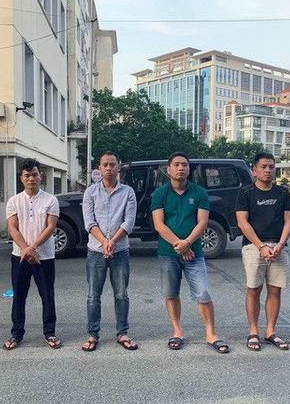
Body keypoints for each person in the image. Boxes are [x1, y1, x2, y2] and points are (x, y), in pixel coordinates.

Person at [151, 152, 229, 354]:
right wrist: (180, 245)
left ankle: (211, 334)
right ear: (168, 169)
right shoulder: (159, 194)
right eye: (176, 164)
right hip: (168, 252)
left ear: (188, 169)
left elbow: (202, 222)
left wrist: (187, 244)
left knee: (202, 292)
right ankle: (177, 331)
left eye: (184, 165)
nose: (181, 168)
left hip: (194, 253)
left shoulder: (199, 192)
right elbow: (159, 225)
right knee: (171, 293)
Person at [236, 152, 290, 352]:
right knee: (254, 289)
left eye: (271, 166)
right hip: (253, 246)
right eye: (263, 167)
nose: (268, 170)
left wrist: (281, 244)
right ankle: (253, 331)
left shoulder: (283, 193)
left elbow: (288, 221)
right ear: (254, 171)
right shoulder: (245, 193)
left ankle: (270, 331)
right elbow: (242, 223)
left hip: (278, 247)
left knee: (275, 289)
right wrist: (261, 246)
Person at [81, 152, 138, 352]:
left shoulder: (128, 192)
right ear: (99, 167)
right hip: (95, 251)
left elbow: (129, 222)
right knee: (93, 296)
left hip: (120, 251)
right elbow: (89, 222)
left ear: (118, 167)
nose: (108, 168)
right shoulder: (90, 192)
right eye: (105, 164)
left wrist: (112, 241)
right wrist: (105, 242)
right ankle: (92, 334)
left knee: (121, 295)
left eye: (112, 164)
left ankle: (122, 333)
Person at [4, 158, 61, 350]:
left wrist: (33, 247)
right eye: (27, 175)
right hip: (19, 256)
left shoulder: (50, 200)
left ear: (41, 176)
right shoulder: (13, 201)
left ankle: (50, 333)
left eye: (34, 175)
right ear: (21, 178)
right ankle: (16, 333)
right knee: (19, 296)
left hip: (44, 257)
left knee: (47, 295)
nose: (31, 179)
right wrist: (26, 250)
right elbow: (13, 228)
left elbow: (51, 227)